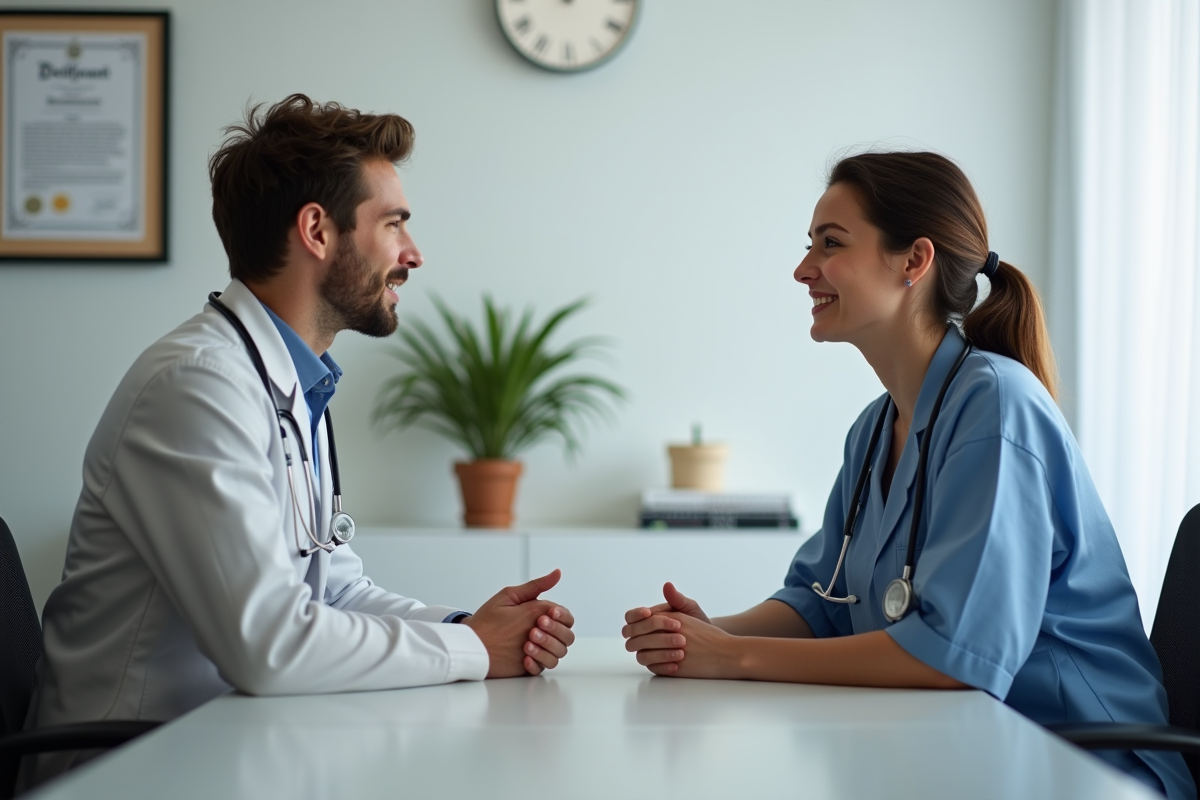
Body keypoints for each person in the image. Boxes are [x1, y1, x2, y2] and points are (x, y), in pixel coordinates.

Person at [18, 94, 575, 789]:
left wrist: (472, 626)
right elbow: (269, 645)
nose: (413, 254)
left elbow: (335, 590)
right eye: (394, 224)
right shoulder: (197, 386)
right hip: (132, 769)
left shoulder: (285, 381)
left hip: (230, 746)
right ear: (316, 230)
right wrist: (472, 649)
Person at [621, 151, 1194, 799]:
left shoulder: (996, 407)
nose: (803, 269)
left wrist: (732, 658)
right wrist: (707, 631)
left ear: (913, 261)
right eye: (809, 245)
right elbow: (821, 601)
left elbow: (953, 659)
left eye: (830, 244)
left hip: (1080, 766)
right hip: (958, 752)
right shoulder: (875, 429)